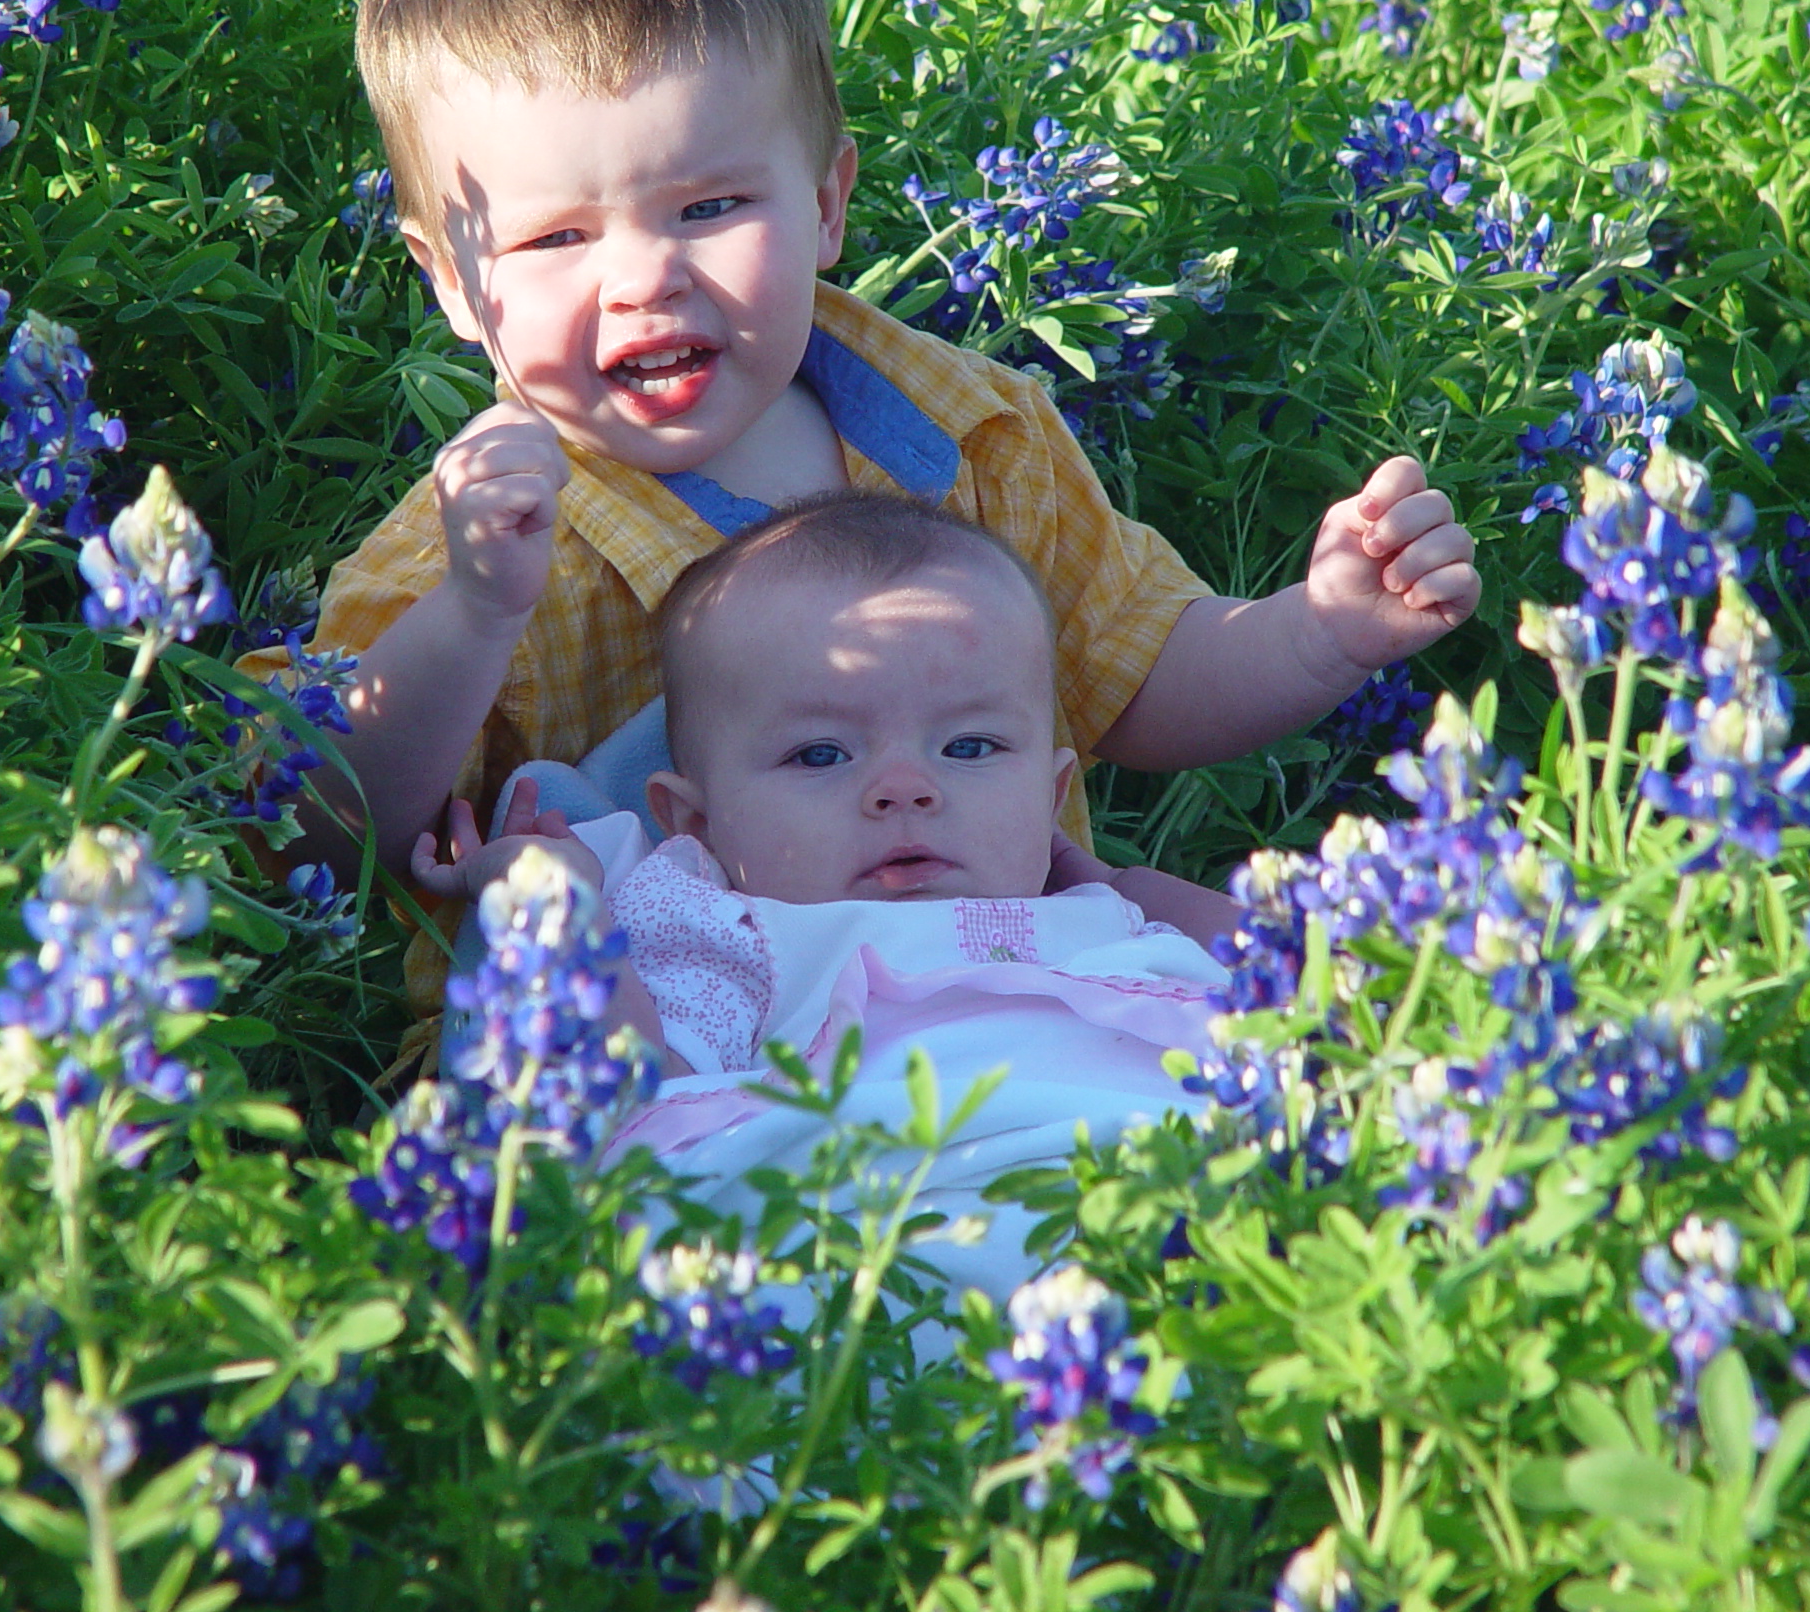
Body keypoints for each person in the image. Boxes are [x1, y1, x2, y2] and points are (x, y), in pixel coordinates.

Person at [261, 0, 1477, 1065]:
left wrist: (1318, 631)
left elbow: (1138, 670)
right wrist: (470, 614)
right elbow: (309, 826)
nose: (643, 281)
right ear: (453, 282)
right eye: (554, 239)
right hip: (647, 1080)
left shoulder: (972, 429)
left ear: (829, 199)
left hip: (1018, 1009)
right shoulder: (472, 551)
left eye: (712, 204)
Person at [409, 491, 1232, 1301]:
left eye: (970, 746)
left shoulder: (1115, 915)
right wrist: (557, 905)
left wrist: (1135, 888)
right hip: (881, 1239)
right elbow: (627, 1103)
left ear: (1051, 798)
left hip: (1176, 1187)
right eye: (820, 756)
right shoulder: (734, 933)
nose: (905, 788)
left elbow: (1308, 971)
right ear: (696, 824)